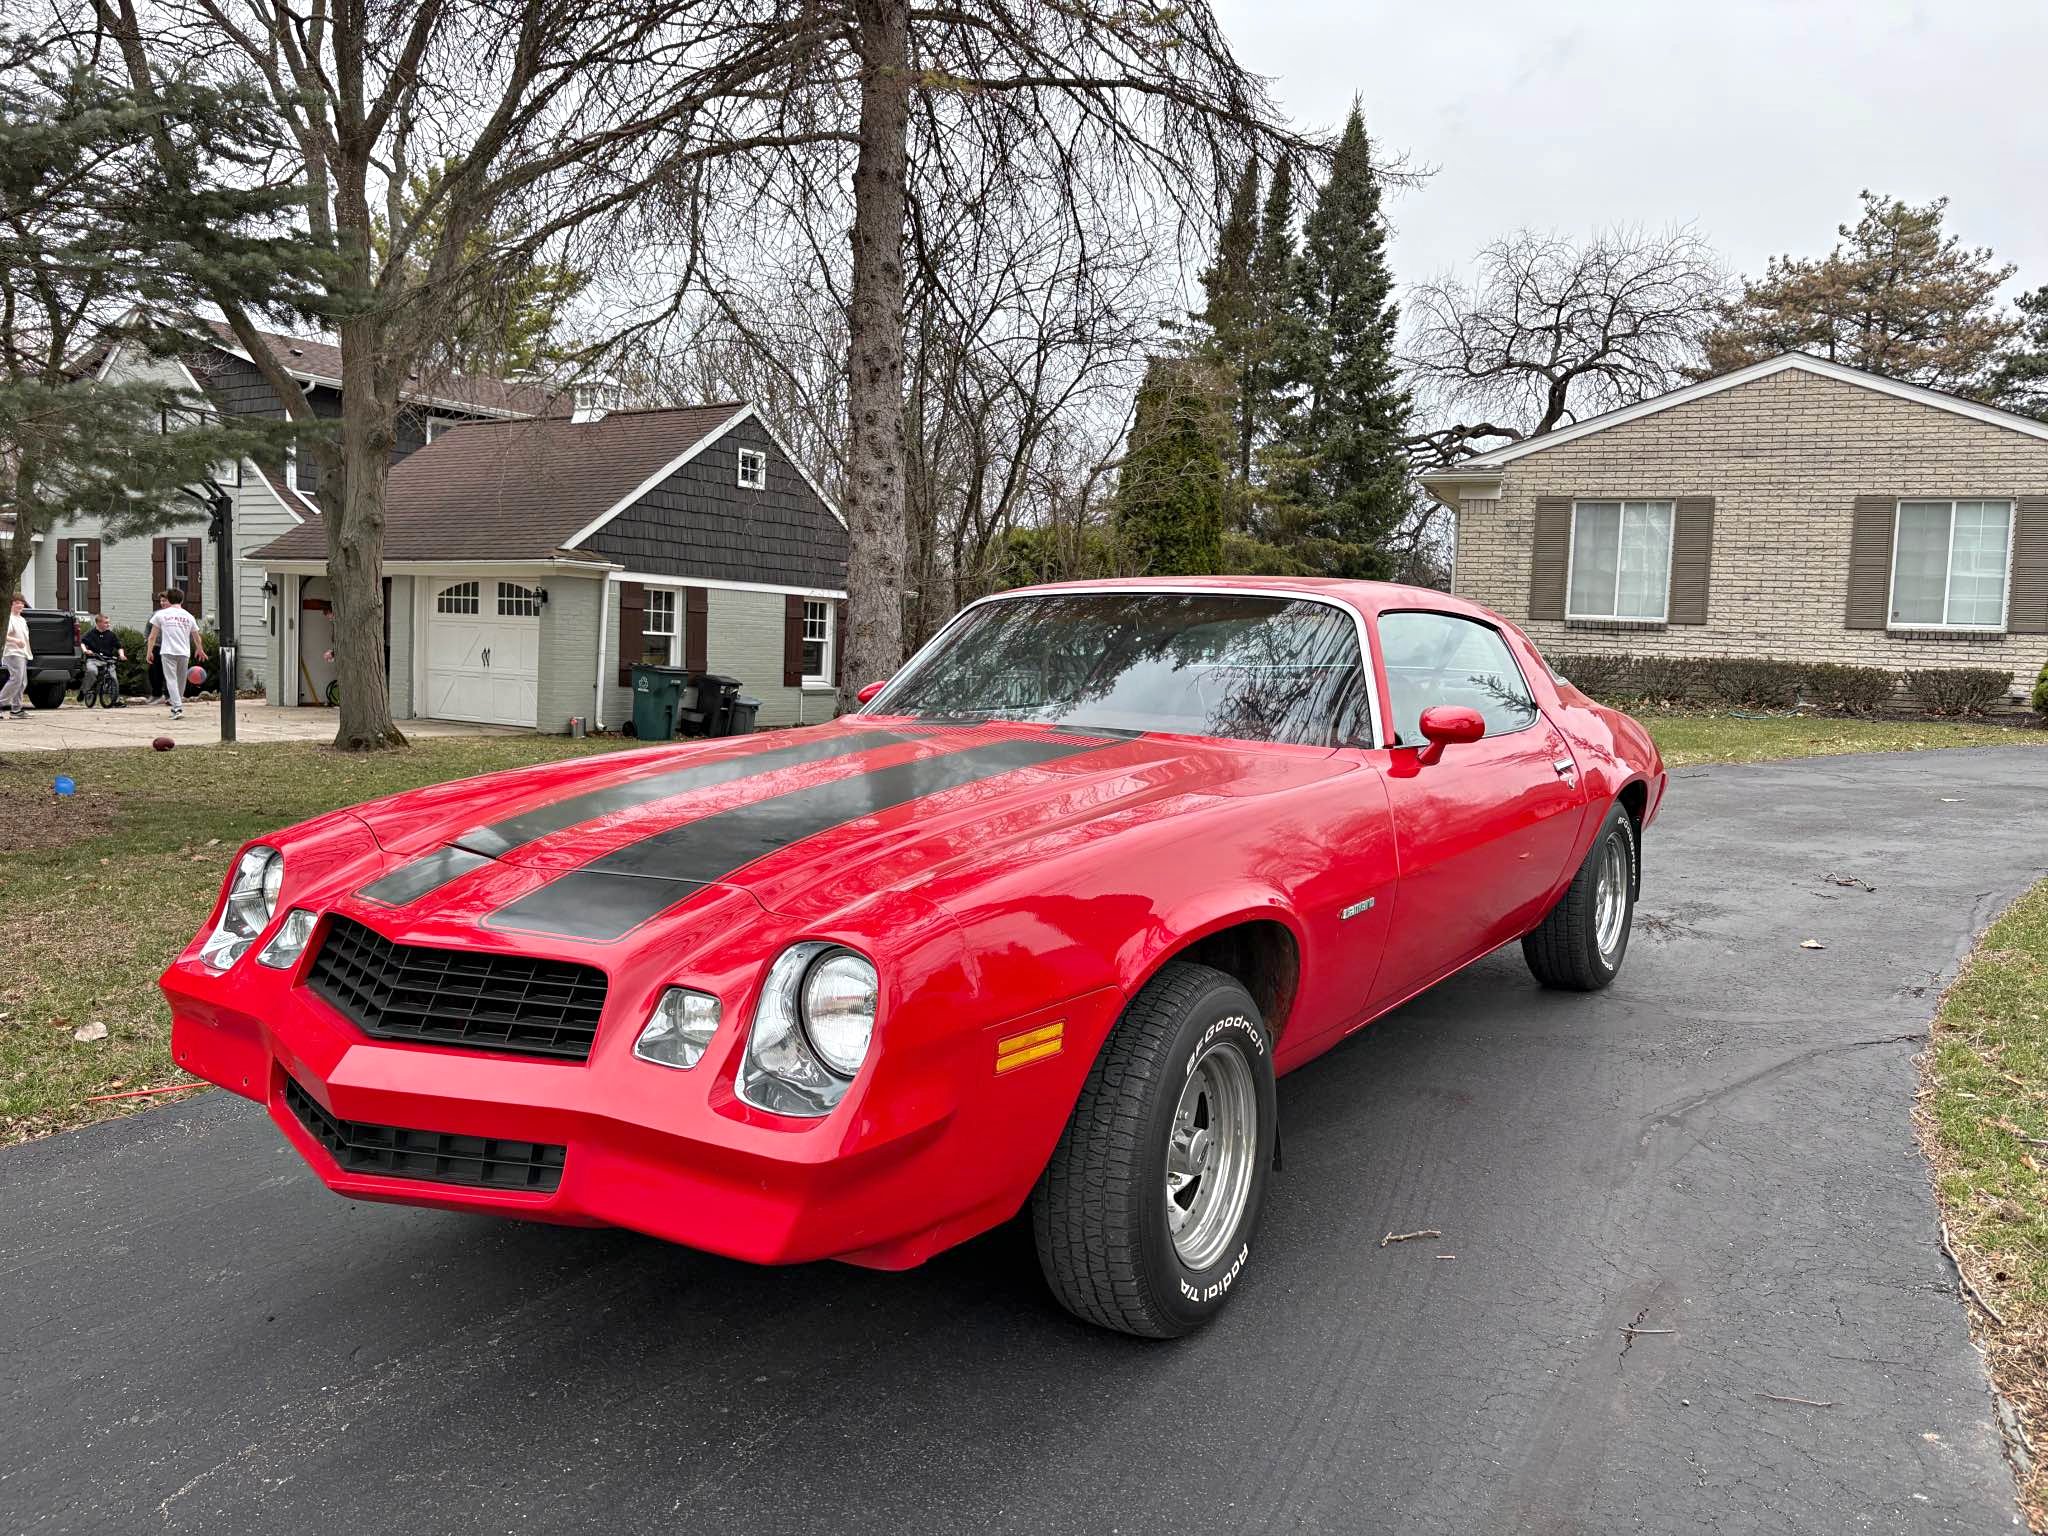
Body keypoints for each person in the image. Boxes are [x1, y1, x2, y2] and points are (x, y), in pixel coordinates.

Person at [145, 588, 207, 721]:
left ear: (169, 599)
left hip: (168, 651)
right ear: (182, 600)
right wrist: (200, 649)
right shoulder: (188, 616)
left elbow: (152, 636)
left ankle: (177, 707)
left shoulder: (161, 615)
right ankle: (176, 705)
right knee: (180, 680)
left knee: (171, 680)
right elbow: (196, 636)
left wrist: (149, 652)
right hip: (184, 652)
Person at [79, 613, 126, 706]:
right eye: (106, 623)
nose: (108, 624)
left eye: (108, 623)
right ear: (99, 623)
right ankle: (83, 691)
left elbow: (119, 646)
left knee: (113, 677)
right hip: (94, 659)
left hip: (108, 660)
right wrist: (85, 651)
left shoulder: (111, 635)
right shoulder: (91, 633)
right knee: (92, 672)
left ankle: (115, 700)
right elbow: (82, 642)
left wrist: (121, 655)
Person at [1, 594, 27, 720]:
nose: (20, 605)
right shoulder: (9, 619)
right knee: (16, 679)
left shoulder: (21, 619)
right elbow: (4, 635)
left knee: (22, 682)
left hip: (22, 654)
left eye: (21, 603)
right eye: (17, 603)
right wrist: (16, 641)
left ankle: (16, 709)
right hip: (12, 653)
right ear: (11, 605)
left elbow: (25, 638)